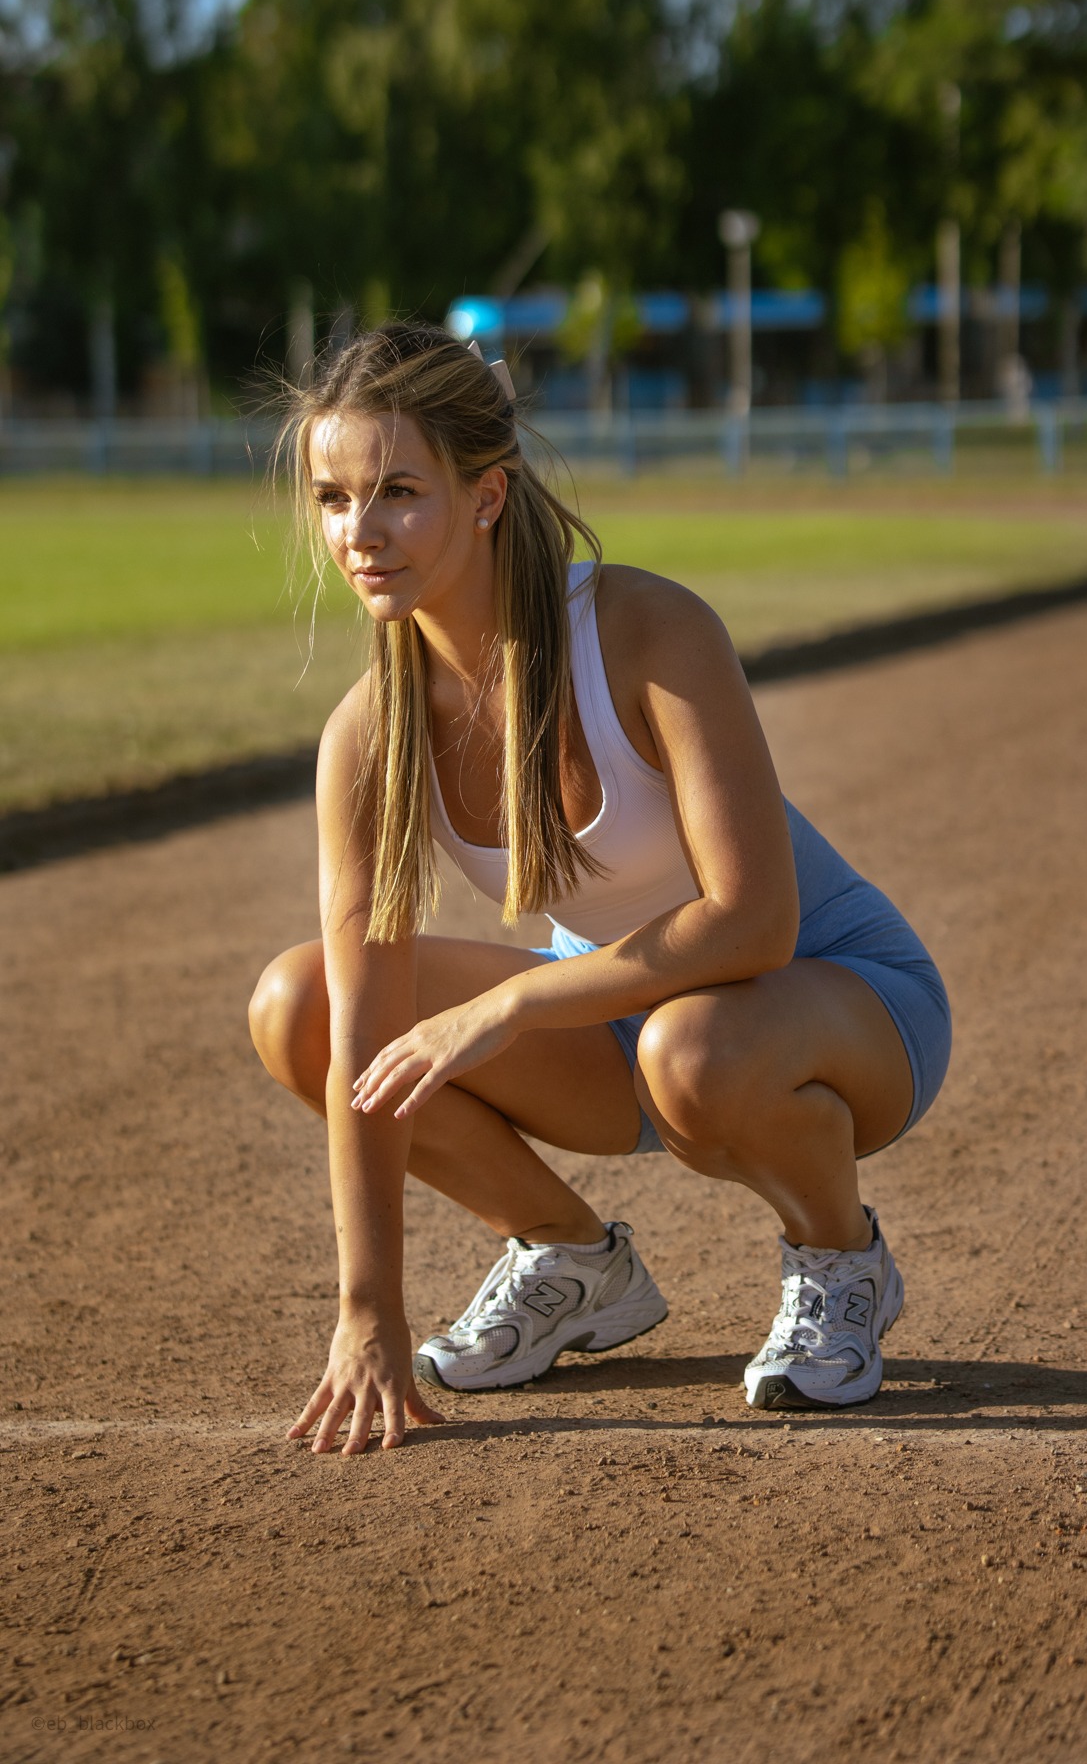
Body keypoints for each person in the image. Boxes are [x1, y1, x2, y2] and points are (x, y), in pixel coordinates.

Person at [248, 321, 951, 1457]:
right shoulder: (369, 737)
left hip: (838, 999)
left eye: (396, 493)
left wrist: (513, 1002)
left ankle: (840, 1257)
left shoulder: (642, 629)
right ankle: (571, 1259)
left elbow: (753, 921)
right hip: (625, 1012)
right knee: (303, 1002)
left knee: (694, 1050)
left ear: (486, 495)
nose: (359, 533)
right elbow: (367, 1037)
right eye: (331, 498)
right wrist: (367, 1311)